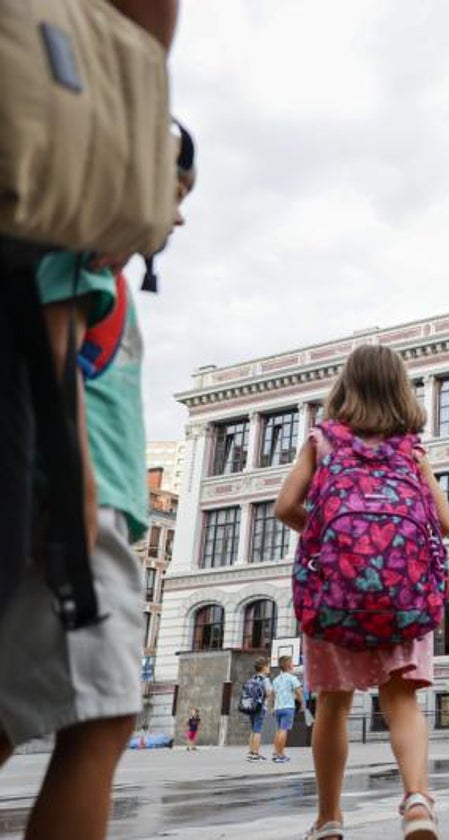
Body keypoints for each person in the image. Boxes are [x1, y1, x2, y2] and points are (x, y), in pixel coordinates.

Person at [0, 115, 195, 840]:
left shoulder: (96, 262)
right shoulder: (82, 251)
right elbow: (58, 364)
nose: (179, 213)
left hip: (81, 503)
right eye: (173, 191)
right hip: (89, 511)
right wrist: (79, 487)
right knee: (107, 712)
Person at [275, 344, 449, 840]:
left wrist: (326, 533)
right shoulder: (410, 450)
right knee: (402, 702)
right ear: (401, 389)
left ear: (345, 387)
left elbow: (285, 505)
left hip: (336, 594)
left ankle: (329, 819)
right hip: (402, 595)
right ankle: (417, 801)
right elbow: (443, 521)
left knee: (334, 702)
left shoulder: (323, 441)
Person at [270, 655, 304, 764]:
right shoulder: (292, 678)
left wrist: (272, 707)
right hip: (288, 707)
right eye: (292, 663)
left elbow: (273, 695)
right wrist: (302, 703)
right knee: (284, 730)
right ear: (289, 665)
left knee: (279, 730)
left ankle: (276, 753)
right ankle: (280, 755)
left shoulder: (276, 679)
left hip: (277, 708)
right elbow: (298, 692)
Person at [245, 656, 274, 761]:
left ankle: (251, 752)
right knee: (258, 731)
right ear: (263, 667)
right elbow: (269, 693)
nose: (269, 668)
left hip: (251, 707)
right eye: (268, 666)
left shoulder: (253, 678)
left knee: (253, 730)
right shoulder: (265, 680)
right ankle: (256, 754)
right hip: (260, 708)